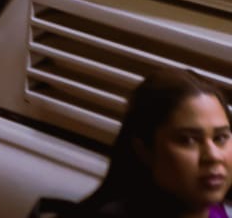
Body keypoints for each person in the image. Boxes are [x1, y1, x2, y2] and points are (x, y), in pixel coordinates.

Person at [34, 67, 231, 218]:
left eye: (220, 138)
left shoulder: (212, 209)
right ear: (144, 150)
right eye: (188, 140)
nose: (213, 156)